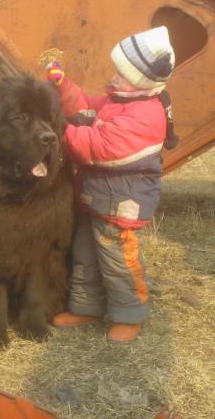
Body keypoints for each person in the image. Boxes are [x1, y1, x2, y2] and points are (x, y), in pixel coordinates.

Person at [45, 26, 178, 343]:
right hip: (97, 199)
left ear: (144, 80)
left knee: (120, 262)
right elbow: (86, 107)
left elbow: (95, 146)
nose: (115, 77)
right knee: (85, 256)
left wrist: (57, 130)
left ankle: (130, 314)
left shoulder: (145, 115)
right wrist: (62, 87)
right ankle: (87, 307)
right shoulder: (119, 100)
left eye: (123, 74)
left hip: (122, 206)